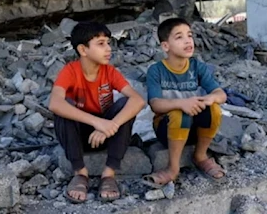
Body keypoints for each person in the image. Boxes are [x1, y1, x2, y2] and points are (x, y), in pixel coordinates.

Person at [48, 21, 146, 203]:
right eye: (101, 44)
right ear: (83, 50)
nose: (108, 48)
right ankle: (80, 173)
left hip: (105, 134)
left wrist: (109, 125)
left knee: (126, 104)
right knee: (65, 106)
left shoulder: (109, 72)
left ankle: (108, 175)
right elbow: (54, 103)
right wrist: (96, 122)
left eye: (108, 43)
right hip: (78, 136)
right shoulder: (70, 71)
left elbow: (138, 100)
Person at [142, 18, 227, 188]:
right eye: (179, 37)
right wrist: (181, 103)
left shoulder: (197, 67)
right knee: (179, 113)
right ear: (166, 46)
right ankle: (173, 168)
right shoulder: (156, 70)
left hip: (194, 130)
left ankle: (200, 156)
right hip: (167, 130)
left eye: (189, 35)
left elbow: (221, 94)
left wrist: (211, 98)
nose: (188, 41)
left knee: (214, 110)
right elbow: (155, 104)